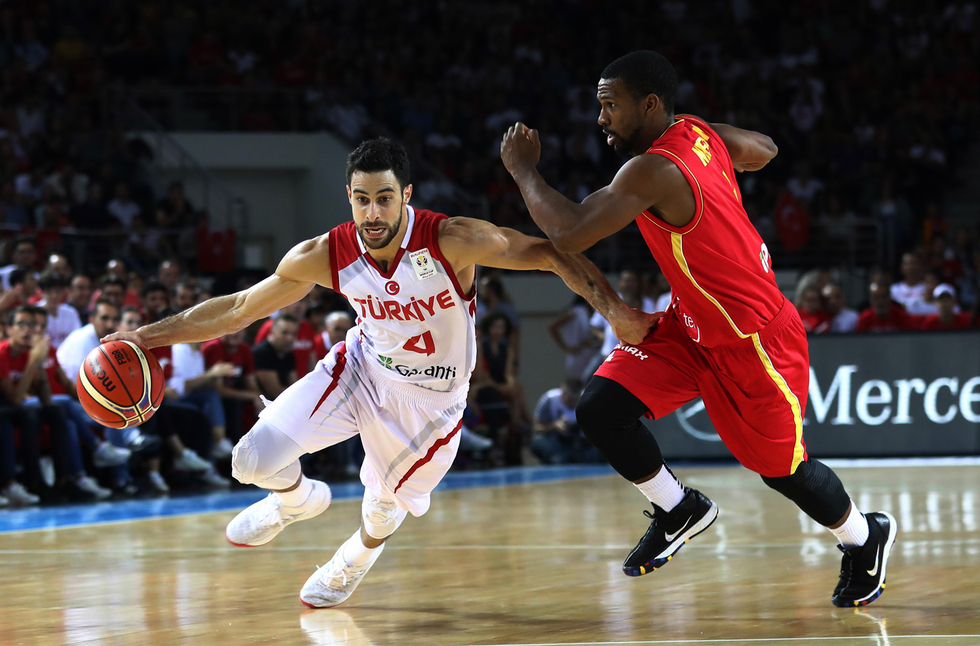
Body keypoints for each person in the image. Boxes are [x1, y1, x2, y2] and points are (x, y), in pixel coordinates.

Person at [105, 137, 617, 608]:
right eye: (362, 199)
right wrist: (145, 336)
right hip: (361, 369)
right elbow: (240, 306)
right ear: (348, 195)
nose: (373, 213)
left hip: (431, 403)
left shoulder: (453, 240)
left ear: (407, 195)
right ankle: (296, 502)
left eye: (385, 198)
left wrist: (617, 314)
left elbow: (551, 253)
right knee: (250, 460)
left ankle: (351, 560)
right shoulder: (326, 254)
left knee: (381, 510)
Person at [499, 50, 896, 608]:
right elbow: (765, 150)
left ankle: (862, 538)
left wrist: (522, 170)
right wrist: (716, 149)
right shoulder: (695, 134)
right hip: (692, 326)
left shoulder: (651, 169)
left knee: (785, 472)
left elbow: (571, 233)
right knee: (599, 408)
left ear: (650, 104)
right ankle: (678, 507)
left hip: (754, 339)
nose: (601, 118)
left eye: (610, 105)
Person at [530, 377, 601, 465]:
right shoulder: (550, 400)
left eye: (575, 400)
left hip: (582, 443)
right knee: (538, 441)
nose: (572, 403)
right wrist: (554, 426)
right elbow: (536, 429)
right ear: (562, 393)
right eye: (569, 400)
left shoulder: (587, 400)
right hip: (557, 443)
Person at [548, 295, 597, 379]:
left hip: (592, 355)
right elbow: (552, 327)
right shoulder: (575, 312)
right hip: (578, 356)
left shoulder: (595, 313)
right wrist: (565, 347)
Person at [253, 315, 300, 399]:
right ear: (273, 331)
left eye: (293, 334)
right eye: (284, 332)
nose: (290, 338)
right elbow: (274, 391)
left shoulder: (289, 354)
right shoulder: (262, 353)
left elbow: (295, 384)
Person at [37, 271, 82, 348]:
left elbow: (78, 339)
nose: (54, 296)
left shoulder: (71, 312)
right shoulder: (34, 312)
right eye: (49, 291)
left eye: (58, 291)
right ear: (42, 292)